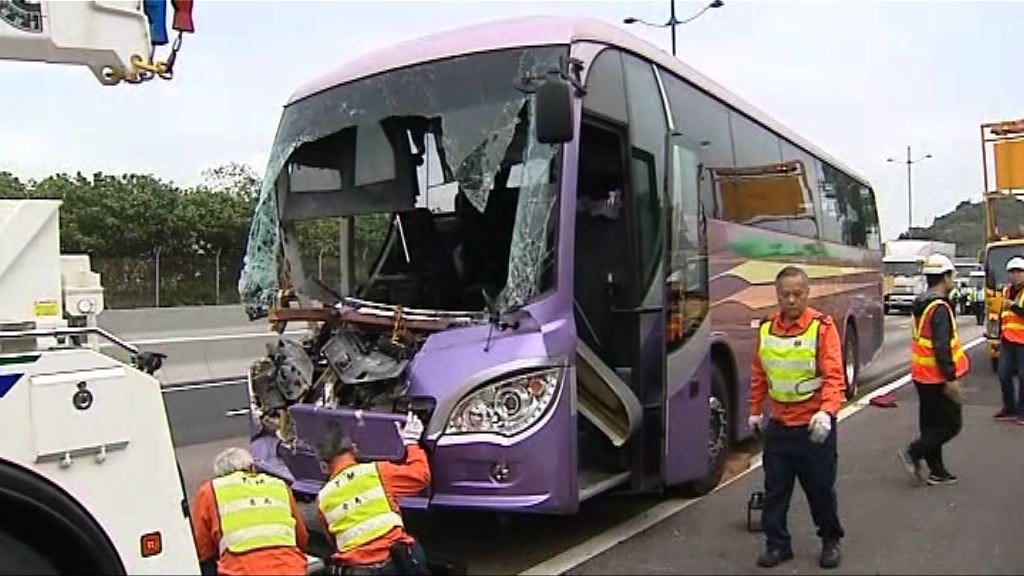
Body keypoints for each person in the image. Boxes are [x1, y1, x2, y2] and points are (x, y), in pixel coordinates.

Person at [748, 265, 845, 570]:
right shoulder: (766, 329)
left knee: (820, 490)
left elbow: (834, 377)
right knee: (775, 490)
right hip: (780, 426)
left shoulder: (822, 328)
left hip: (813, 427)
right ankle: (778, 545)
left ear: (807, 293)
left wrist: (827, 413)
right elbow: (759, 374)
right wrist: (754, 411)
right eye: (785, 294)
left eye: (797, 294)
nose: (791, 300)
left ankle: (830, 540)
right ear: (777, 295)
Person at [316, 412, 431, 575]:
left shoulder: (322, 499)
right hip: (396, 564)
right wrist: (411, 442)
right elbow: (421, 476)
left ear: (324, 465)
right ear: (354, 449)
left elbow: (334, 541)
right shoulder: (377, 471)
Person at [898, 254, 969, 487]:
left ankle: (937, 471)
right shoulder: (939, 307)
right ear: (945, 277)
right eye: (952, 276)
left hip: (921, 374)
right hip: (936, 376)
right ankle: (913, 452)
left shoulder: (921, 303)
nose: (954, 280)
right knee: (951, 424)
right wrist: (950, 379)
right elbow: (942, 346)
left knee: (930, 425)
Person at [191, 447, 310, 575]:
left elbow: (203, 551)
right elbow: (301, 538)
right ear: (253, 468)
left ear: (220, 476)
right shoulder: (279, 485)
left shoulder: (210, 490)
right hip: (290, 569)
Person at [995, 256, 1024, 422]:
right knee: (1003, 374)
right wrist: (999, 335)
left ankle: (1022, 411)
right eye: (1012, 272)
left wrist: (1013, 305)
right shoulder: (1006, 291)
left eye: (1019, 272)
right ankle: (1009, 407)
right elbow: (1002, 315)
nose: (1016, 275)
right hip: (1007, 339)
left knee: (1023, 377)